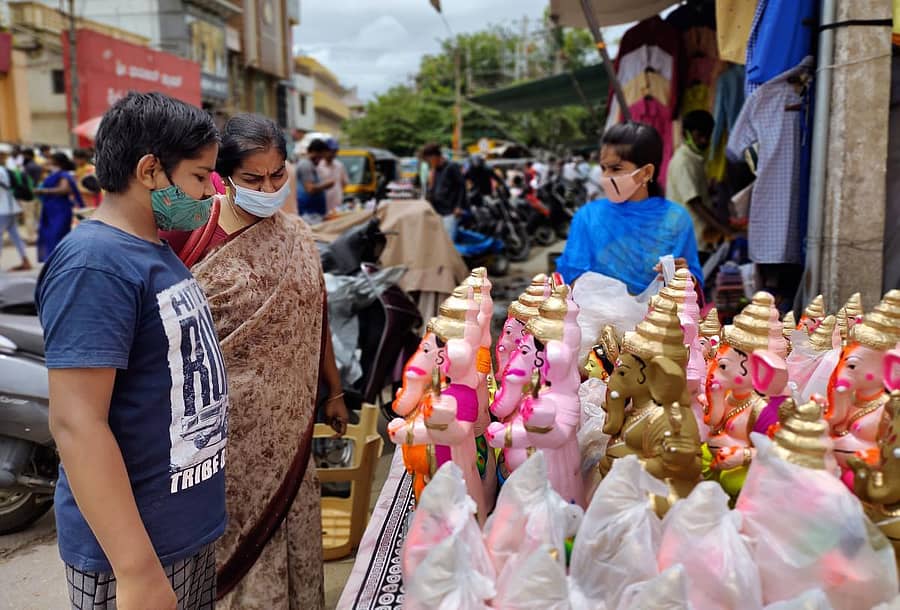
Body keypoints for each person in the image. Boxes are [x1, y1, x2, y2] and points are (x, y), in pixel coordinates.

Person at [35, 91, 226, 610]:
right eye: (199, 176)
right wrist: (136, 571)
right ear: (149, 171)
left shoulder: (153, 248)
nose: (209, 193)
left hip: (178, 531)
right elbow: (76, 422)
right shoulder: (96, 264)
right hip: (135, 553)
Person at [162, 113, 348, 609]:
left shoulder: (298, 234)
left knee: (292, 524)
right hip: (219, 436)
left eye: (277, 175)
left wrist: (333, 391)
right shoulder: (192, 231)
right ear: (224, 176)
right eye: (253, 178)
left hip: (289, 425)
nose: (268, 189)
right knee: (231, 544)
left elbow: (317, 315)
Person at [556, 121, 702, 294]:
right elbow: (569, 278)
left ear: (646, 172)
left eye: (616, 168)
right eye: (603, 168)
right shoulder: (588, 217)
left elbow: (693, 283)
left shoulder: (676, 218)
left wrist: (684, 278)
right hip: (597, 311)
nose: (606, 177)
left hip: (659, 310)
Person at [666, 110, 731, 261]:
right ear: (686, 134)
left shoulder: (694, 158)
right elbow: (695, 203)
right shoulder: (684, 161)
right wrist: (725, 230)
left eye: (708, 136)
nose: (704, 141)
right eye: (699, 136)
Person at [33, 152, 83, 262]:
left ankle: (59, 261)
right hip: (50, 209)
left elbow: (64, 189)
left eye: (51, 159)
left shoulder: (63, 175)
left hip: (60, 209)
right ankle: (53, 260)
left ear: (57, 161)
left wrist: (43, 191)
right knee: (49, 234)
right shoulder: (53, 173)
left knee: (57, 235)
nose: (48, 160)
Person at [421, 142, 466, 237]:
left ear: (434, 157)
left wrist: (458, 206)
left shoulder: (451, 167)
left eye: (428, 160)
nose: (428, 163)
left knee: (448, 241)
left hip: (450, 212)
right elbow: (431, 190)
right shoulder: (435, 170)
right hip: (438, 211)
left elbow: (462, 186)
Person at [0, 145, 32, 270]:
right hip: (11, 207)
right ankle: (25, 260)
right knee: (15, 235)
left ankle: (25, 261)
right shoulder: (7, 170)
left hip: (3, 209)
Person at [295, 138, 334, 222]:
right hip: (308, 215)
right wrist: (326, 185)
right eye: (321, 156)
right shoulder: (306, 165)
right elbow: (310, 189)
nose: (321, 160)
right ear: (315, 152)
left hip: (313, 214)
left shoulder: (310, 165)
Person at [317, 137, 349, 215]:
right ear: (325, 151)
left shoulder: (339, 166)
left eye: (335, 151)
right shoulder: (318, 166)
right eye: (331, 151)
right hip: (322, 207)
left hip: (337, 207)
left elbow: (344, 183)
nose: (333, 154)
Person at [20, 149, 44, 243]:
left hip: (29, 195)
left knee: (29, 217)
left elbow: (25, 182)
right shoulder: (38, 166)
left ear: (27, 155)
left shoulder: (27, 167)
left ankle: (31, 238)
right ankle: (42, 236)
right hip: (39, 192)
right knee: (39, 216)